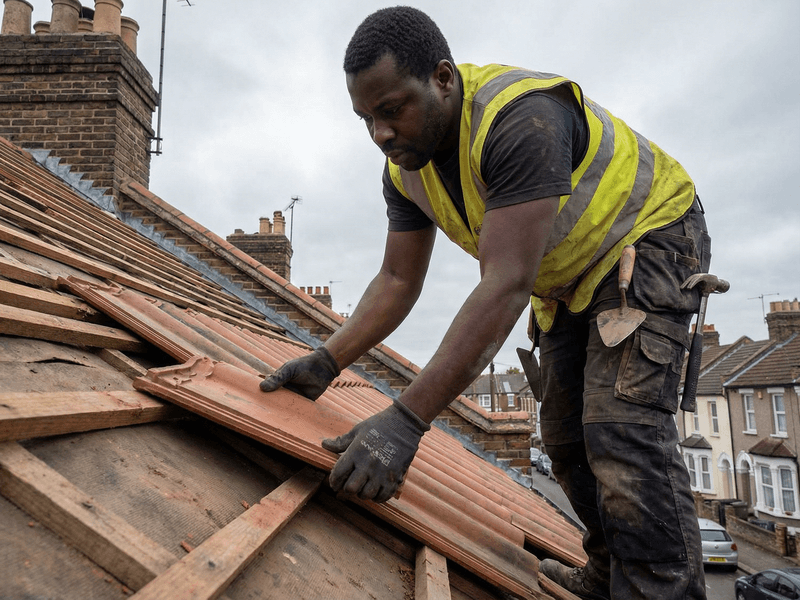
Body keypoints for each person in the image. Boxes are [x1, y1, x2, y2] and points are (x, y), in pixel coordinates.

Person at [260, 6, 711, 599]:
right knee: (566, 438)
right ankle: (607, 575)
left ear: (443, 78)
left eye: (392, 110)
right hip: (570, 280)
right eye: (366, 118)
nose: (381, 133)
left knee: (622, 432)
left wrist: (405, 420)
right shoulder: (406, 171)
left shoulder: (521, 120)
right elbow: (398, 279)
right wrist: (327, 360)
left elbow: (504, 283)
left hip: (649, 243)